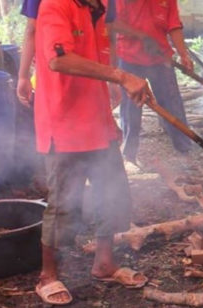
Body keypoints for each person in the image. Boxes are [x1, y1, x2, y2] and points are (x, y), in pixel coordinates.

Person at [34, 0, 152, 305]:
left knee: (113, 195)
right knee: (63, 204)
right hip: (64, 125)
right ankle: (48, 275)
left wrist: (112, 90)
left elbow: (98, 57)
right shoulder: (55, 5)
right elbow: (58, 60)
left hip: (98, 122)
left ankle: (104, 263)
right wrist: (122, 76)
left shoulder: (96, 10)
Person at [109, 0, 192, 164]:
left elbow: (174, 25)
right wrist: (142, 36)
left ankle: (184, 148)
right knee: (131, 108)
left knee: (172, 102)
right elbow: (112, 22)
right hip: (129, 56)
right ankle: (129, 152)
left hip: (160, 56)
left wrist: (183, 55)